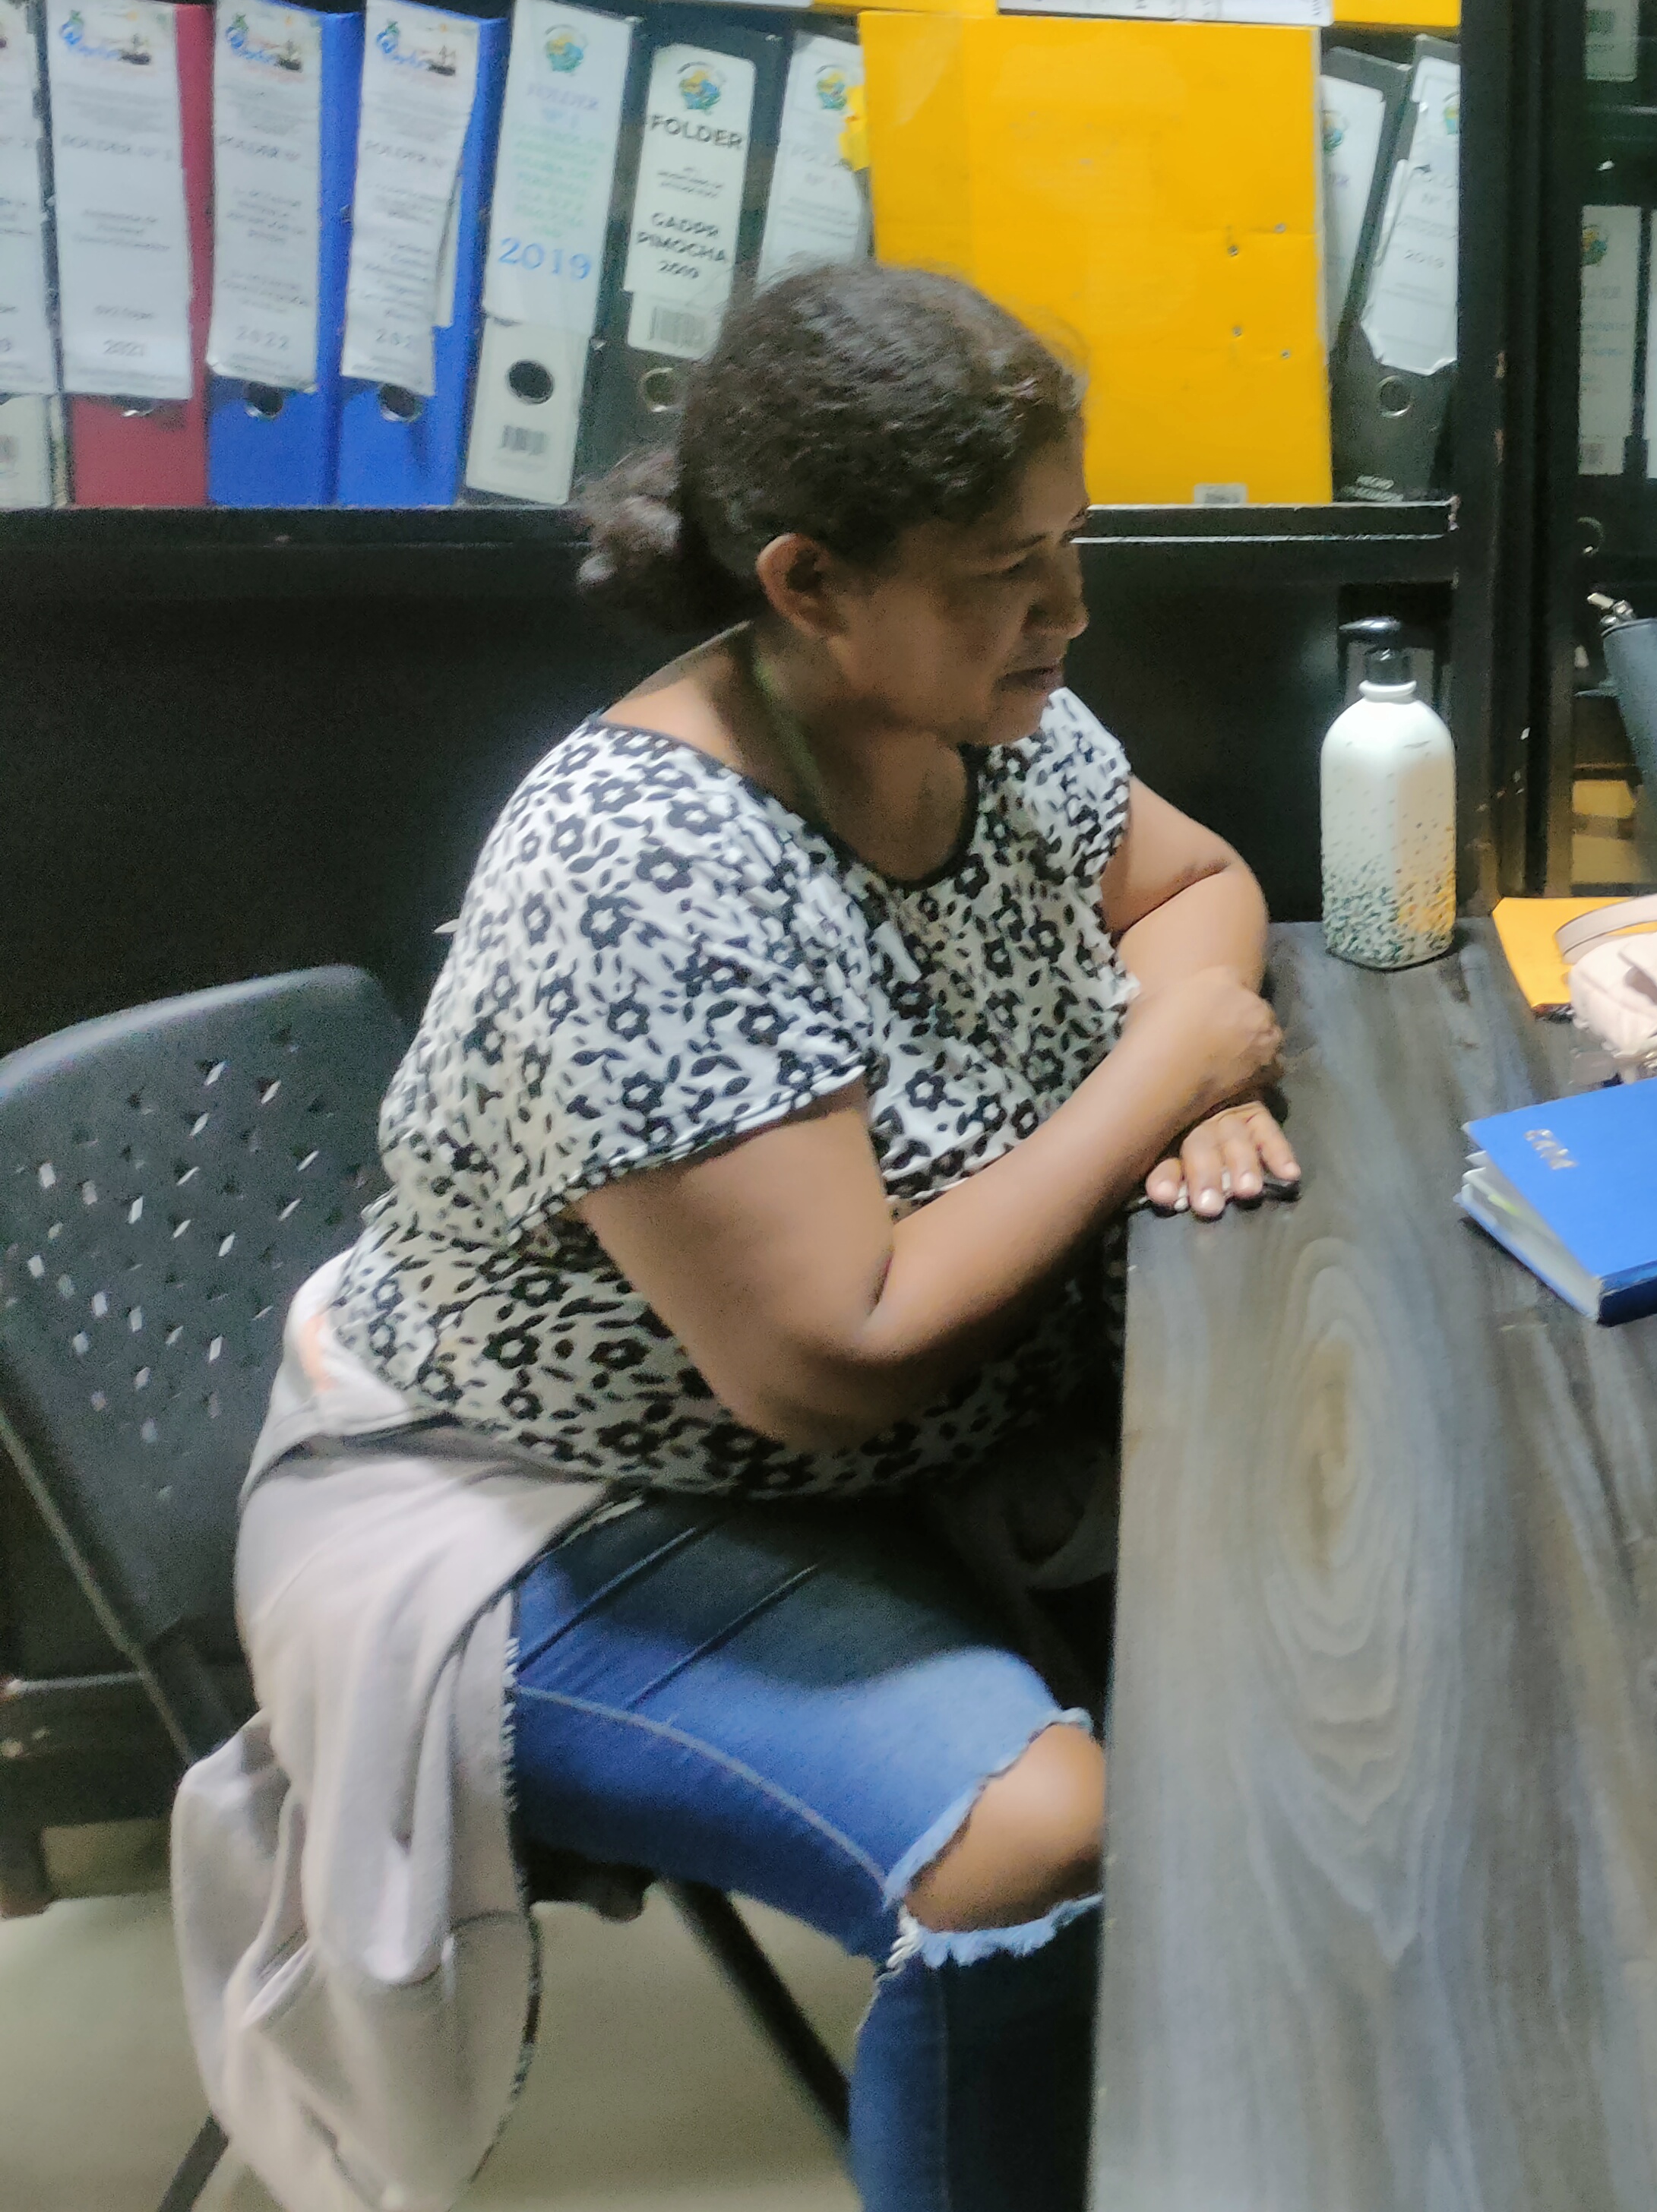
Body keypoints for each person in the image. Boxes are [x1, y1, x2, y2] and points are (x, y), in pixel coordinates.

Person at [173, 264, 1288, 2212]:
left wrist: (1193, 1052)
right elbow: (829, 1360)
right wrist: (1156, 1084)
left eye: (1073, 546)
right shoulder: (645, 865)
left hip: (857, 1459)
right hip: (526, 1511)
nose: (1068, 610)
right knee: (1035, 1838)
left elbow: (1195, 888)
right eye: (1006, 570)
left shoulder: (985, 709)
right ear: (807, 584)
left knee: (1307, 1612)